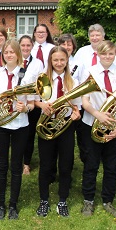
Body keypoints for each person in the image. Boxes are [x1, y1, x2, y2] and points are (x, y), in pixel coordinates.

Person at [80, 40, 116, 220]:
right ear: (98, 54)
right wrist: (98, 114)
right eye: (104, 54)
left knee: (112, 166)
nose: (107, 57)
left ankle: (107, 200)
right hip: (91, 123)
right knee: (91, 164)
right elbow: (85, 101)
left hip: (115, 127)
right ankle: (88, 199)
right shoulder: (90, 72)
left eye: (111, 54)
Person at [0, 39, 35, 220]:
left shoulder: (27, 76)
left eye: (12, 52)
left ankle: (13, 205)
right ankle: (0, 204)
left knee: (16, 166)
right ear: (3, 55)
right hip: (1, 125)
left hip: (20, 125)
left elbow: (32, 103)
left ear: (18, 54)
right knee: (1, 166)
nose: (9, 55)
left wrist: (26, 108)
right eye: (6, 52)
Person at [34, 46, 81, 218]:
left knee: (66, 164)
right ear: (50, 62)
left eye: (62, 60)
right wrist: (42, 105)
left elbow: (77, 106)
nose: (59, 63)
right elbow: (34, 101)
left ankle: (62, 201)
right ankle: (44, 200)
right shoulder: (44, 80)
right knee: (45, 165)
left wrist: (76, 113)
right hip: (47, 125)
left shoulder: (73, 82)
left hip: (66, 127)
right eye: (56, 60)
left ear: (67, 61)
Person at [58, 33, 87, 164]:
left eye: (69, 44)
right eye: (63, 44)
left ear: (73, 46)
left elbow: (83, 84)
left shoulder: (79, 64)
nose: (66, 46)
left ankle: (84, 160)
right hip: (58, 105)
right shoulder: (54, 61)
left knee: (75, 137)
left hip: (75, 105)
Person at [19, 35, 45, 176]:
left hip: (32, 104)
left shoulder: (38, 63)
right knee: (18, 135)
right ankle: (17, 160)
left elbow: (40, 84)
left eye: (28, 45)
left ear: (32, 46)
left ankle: (26, 164)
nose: (25, 48)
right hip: (17, 103)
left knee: (29, 135)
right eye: (23, 45)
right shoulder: (14, 61)